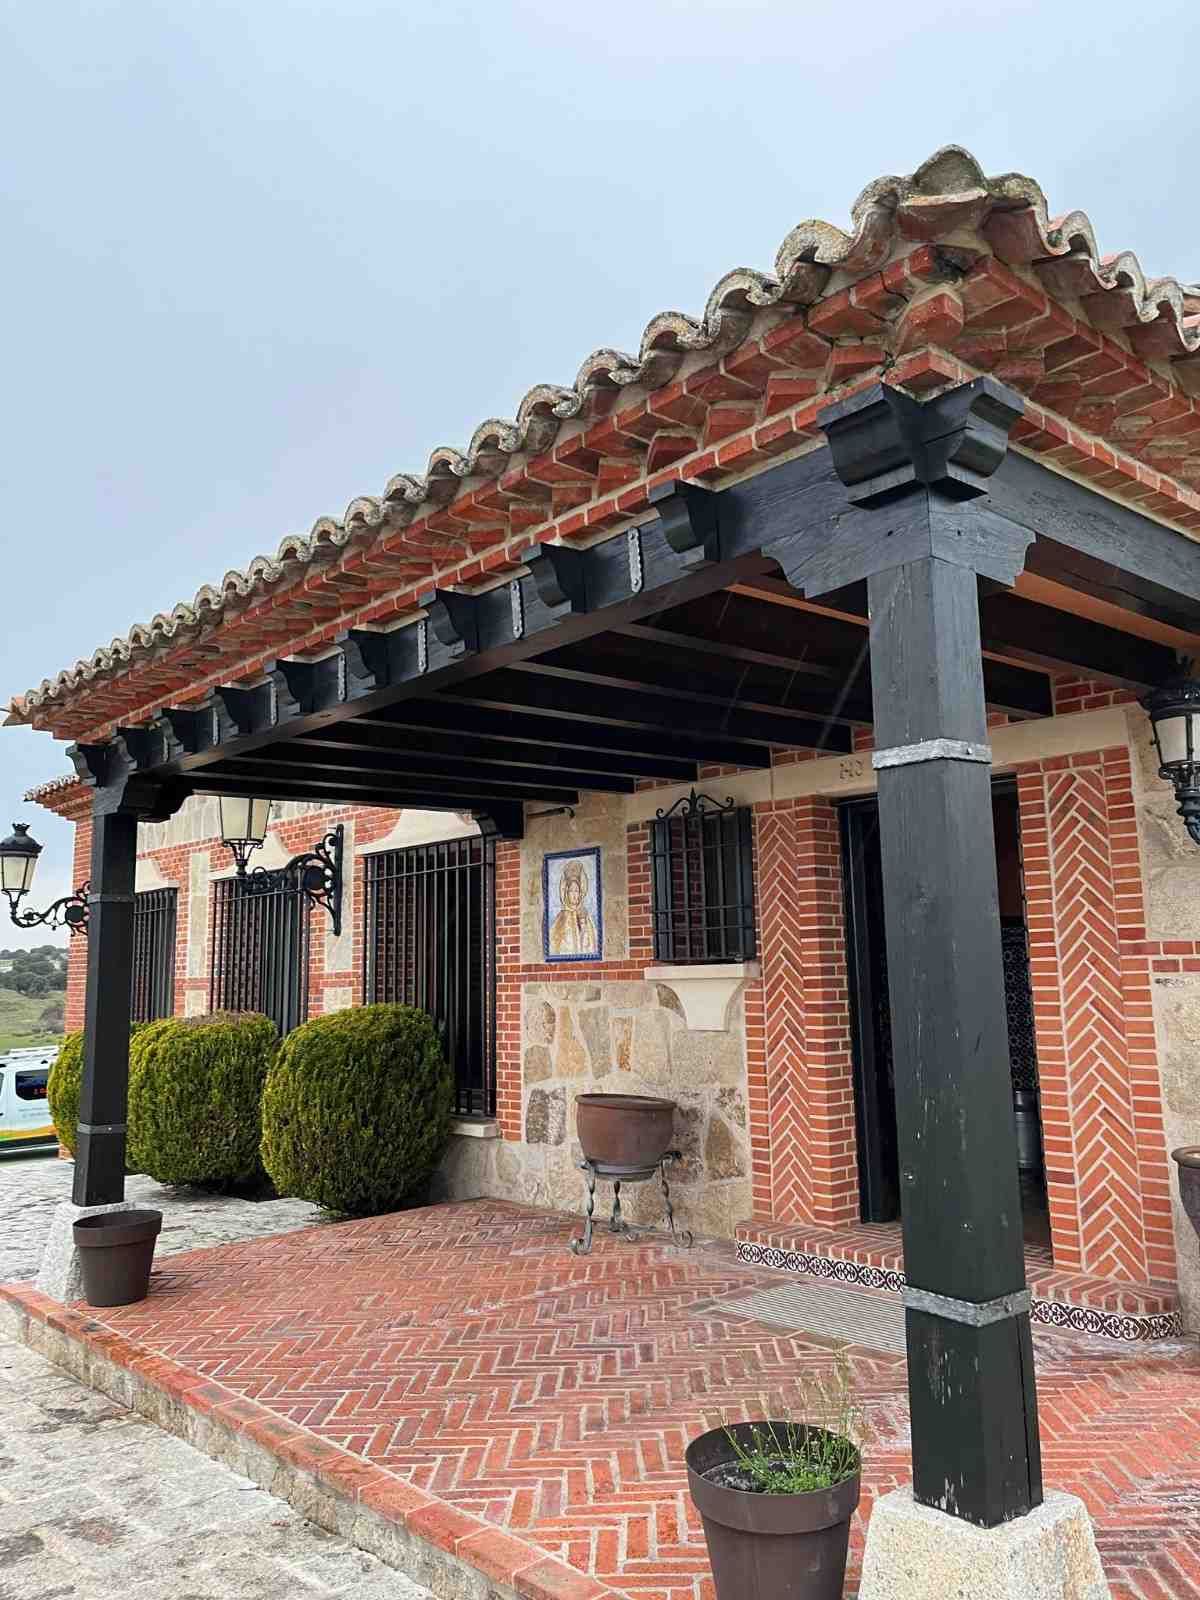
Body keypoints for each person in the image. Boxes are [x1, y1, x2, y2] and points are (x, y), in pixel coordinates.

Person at [549, 858, 598, 957]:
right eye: (571, 891)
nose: (574, 894)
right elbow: (554, 945)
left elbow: (592, 944)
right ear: (566, 893)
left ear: (581, 893)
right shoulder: (561, 917)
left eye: (577, 891)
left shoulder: (585, 915)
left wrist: (583, 925)